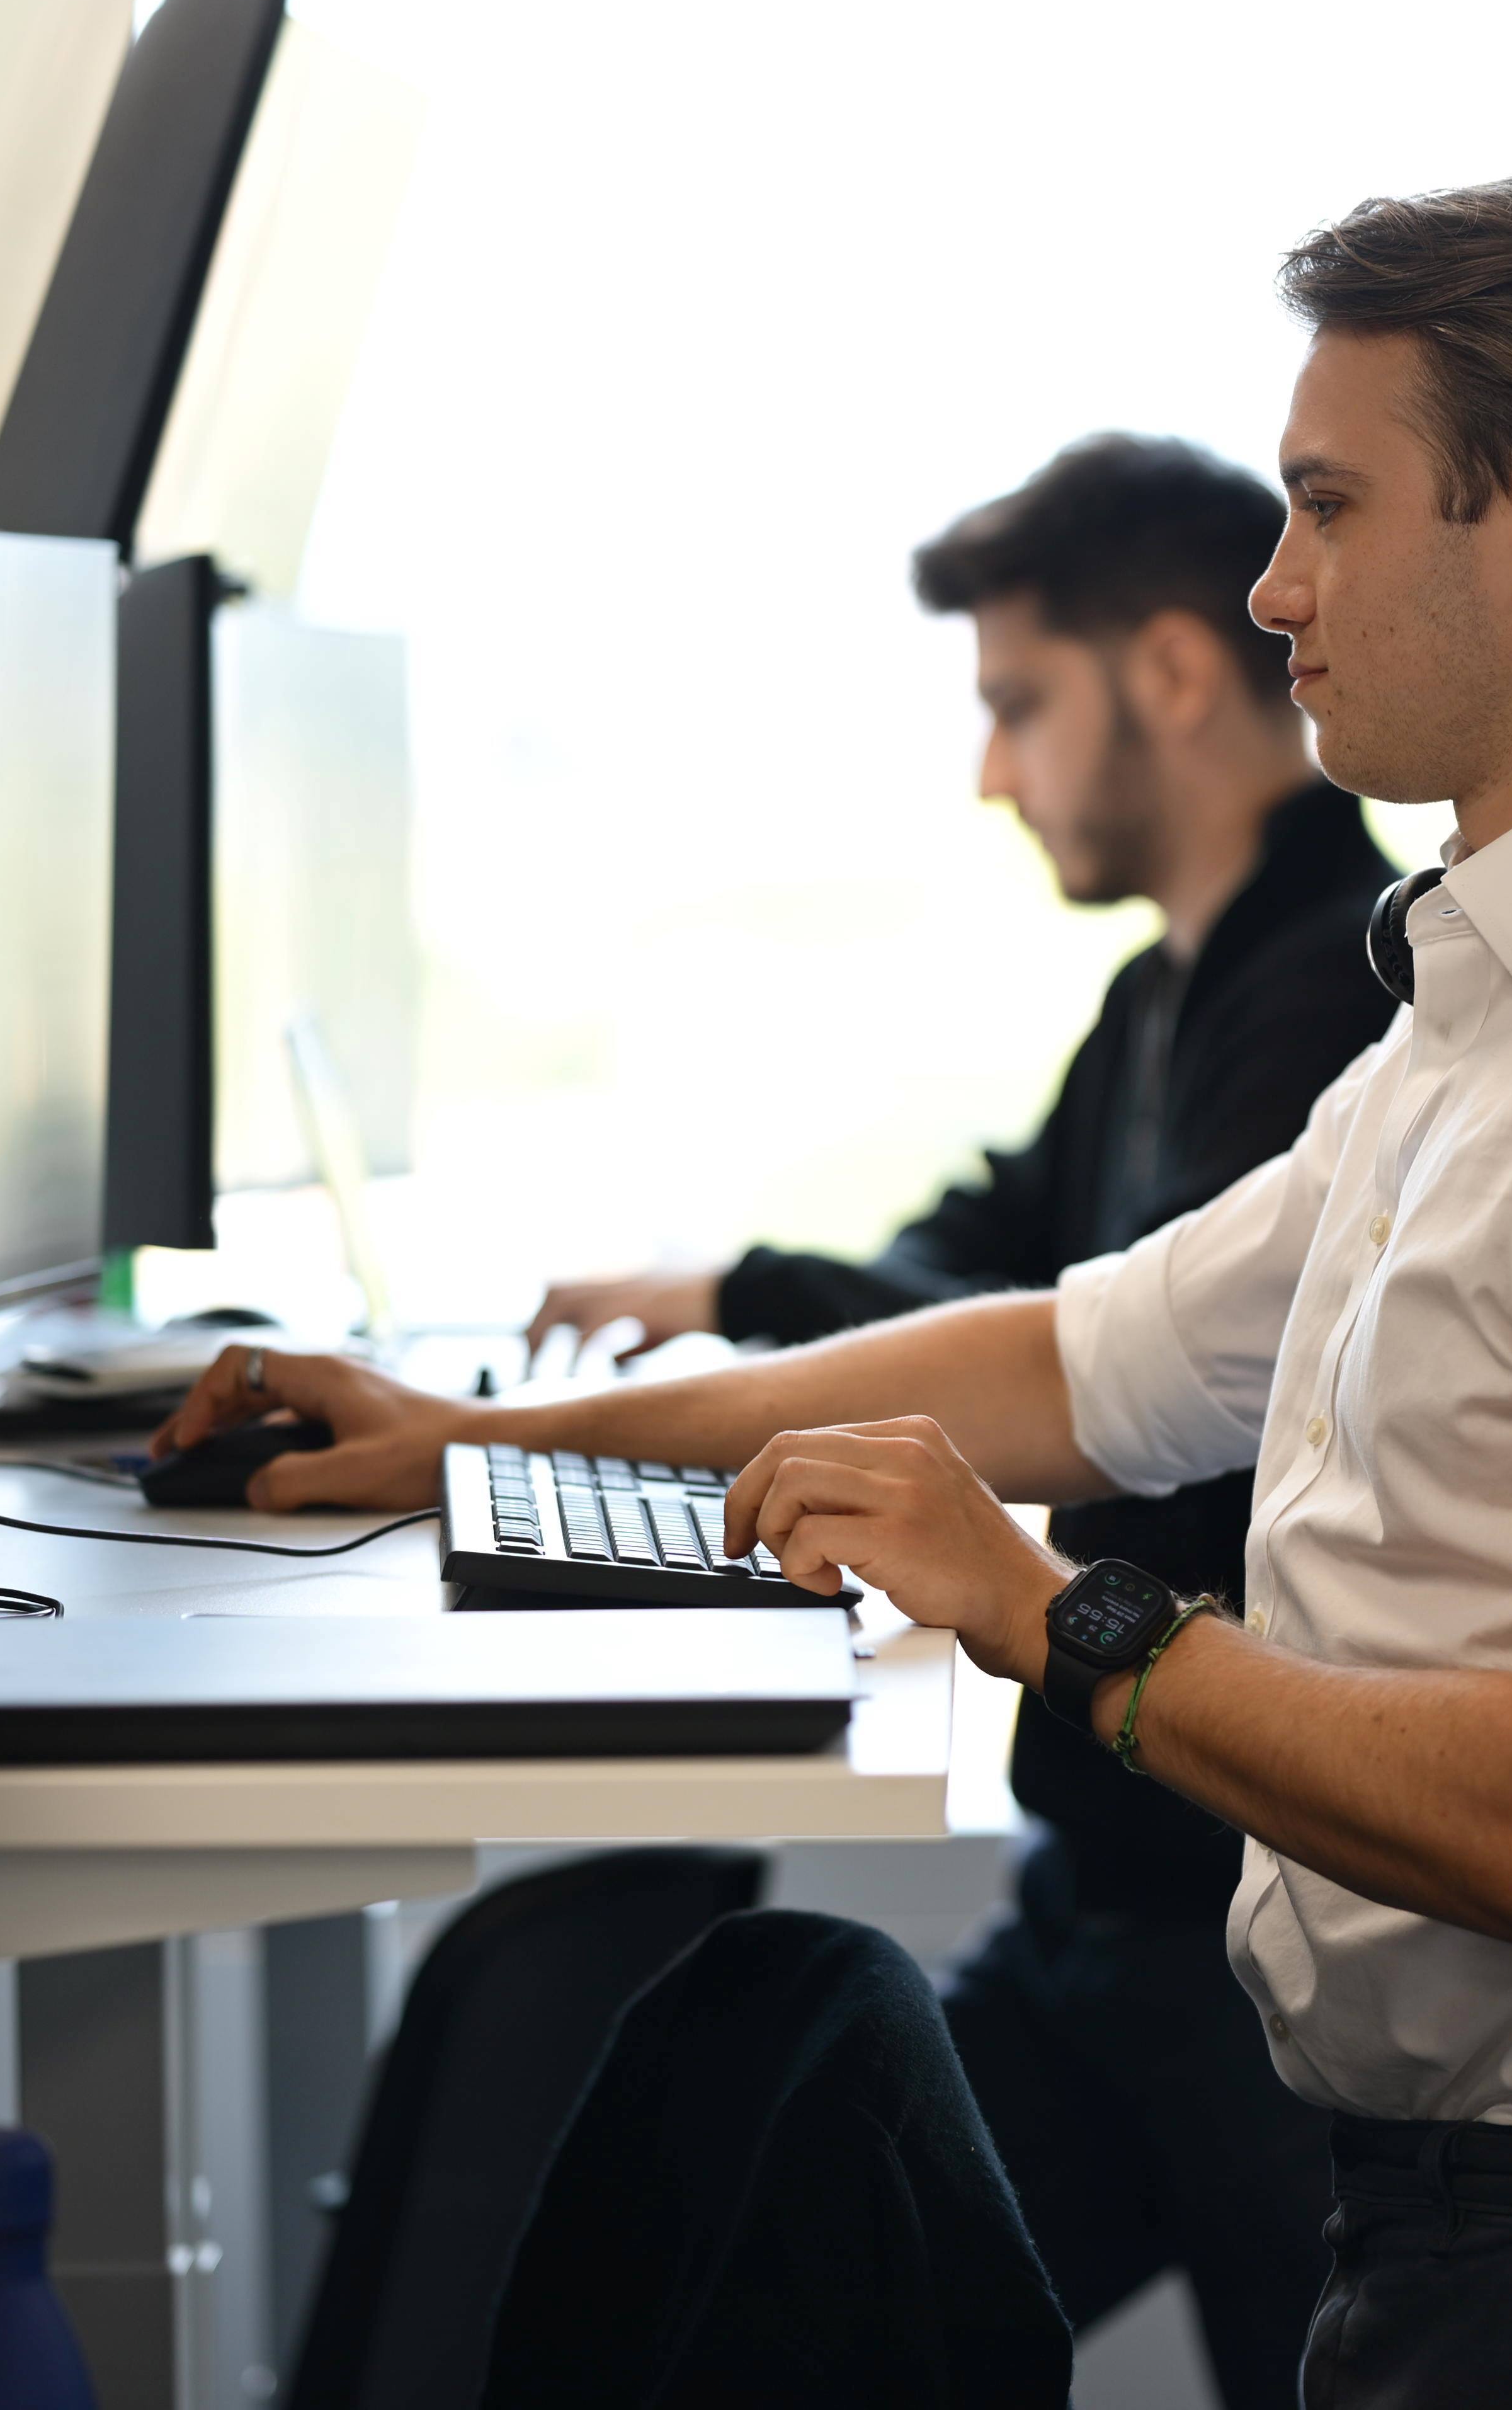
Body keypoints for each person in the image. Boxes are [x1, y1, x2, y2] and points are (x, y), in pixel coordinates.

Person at [167, 171, 1512, 2407]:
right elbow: (1086, 1352)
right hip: (1490, 2218)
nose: (1276, 588)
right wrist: (480, 1439)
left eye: (1327, 509)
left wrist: (1065, 1617)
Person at [530, 434, 1399, 2407]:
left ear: (1174, 675)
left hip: (1241, 1928)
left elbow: (1090, 1384)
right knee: (790, 2292)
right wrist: (725, 1303)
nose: (994, 772)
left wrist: (750, 1332)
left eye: (1020, 704)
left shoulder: (1335, 1001)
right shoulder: (1166, 999)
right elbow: (988, 1257)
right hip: (1109, 1906)